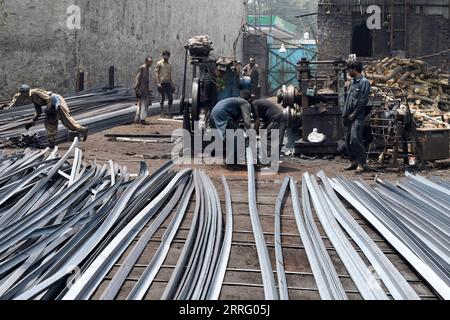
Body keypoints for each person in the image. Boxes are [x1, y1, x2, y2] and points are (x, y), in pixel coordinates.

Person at [7, 85, 88, 147]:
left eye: (23, 93)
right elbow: (38, 110)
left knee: (65, 120)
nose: (23, 95)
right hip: (51, 103)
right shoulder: (32, 97)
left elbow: (48, 98)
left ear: (26, 92)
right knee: (50, 122)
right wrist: (33, 120)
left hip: (56, 101)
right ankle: (51, 141)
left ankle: (81, 129)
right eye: (21, 93)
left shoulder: (35, 92)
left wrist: (50, 109)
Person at [210, 91, 253, 167]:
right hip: (222, 115)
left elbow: (235, 122)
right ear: (249, 99)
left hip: (213, 113)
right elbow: (247, 123)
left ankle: (215, 152)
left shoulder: (236, 101)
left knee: (228, 136)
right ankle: (231, 163)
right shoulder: (245, 103)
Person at [342, 61, 371, 173]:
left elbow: (363, 100)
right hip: (348, 116)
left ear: (354, 69)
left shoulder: (364, 82)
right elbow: (349, 100)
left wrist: (354, 114)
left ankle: (362, 164)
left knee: (355, 139)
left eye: (349, 70)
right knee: (348, 139)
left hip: (356, 116)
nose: (348, 72)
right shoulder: (353, 82)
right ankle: (353, 162)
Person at [134, 56, 153, 124]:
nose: (151, 64)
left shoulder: (147, 69)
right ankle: (142, 119)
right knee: (144, 104)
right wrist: (136, 89)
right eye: (149, 62)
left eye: (151, 62)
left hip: (144, 89)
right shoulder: (142, 68)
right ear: (146, 62)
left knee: (141, 104)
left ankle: (137, 118)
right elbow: (137, 79)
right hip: (141, 89)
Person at [155, 50, 174, 116]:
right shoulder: (159, 63)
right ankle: (162, 112)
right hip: (162, 83)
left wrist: (172, 84)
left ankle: (169, 112)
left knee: (171, 98)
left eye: (168, 56)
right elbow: (157, 73)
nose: (167, 57)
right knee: (162, 98)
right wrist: (158, 83)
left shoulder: (169, 65)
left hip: (168, 83)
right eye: (165, 55)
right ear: (163, 55)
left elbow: (170, 75)